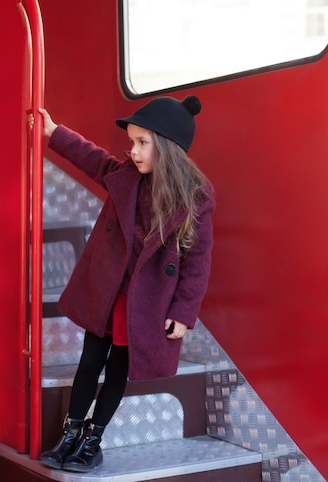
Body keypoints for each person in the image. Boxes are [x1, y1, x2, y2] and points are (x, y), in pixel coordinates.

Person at [36, 95, 215, 473]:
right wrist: (54, 133)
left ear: (167, 148)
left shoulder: (195, 198)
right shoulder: (126, 176)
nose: (132, 151)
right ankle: (71, 433)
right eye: (132, 142)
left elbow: (198, 260)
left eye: (141, 143)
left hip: (144, 303)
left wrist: (183, 312)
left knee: (117, 369)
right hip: (110, 290)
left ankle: (93, 440)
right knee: (89, 361)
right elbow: (93, 158)